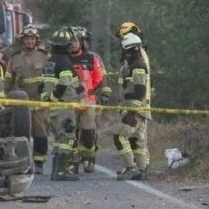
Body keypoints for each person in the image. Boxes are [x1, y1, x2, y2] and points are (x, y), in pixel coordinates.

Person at [4, 25, 49, 174]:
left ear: (36, 41)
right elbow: (8, 79)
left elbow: (50, 79)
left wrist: (48, 93)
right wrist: (4, 96)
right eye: (27, 39)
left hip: (39, 102)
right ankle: (21, 162)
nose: (30, 42)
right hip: (20, 103)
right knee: (20, 133)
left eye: (32, 39)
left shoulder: (44, 57)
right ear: (22, 41)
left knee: (40, 132)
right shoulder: (15, 58)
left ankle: (39, 162)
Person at [41, 29, 83, 181]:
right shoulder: (65, 62)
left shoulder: (49, 62)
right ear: (67, 46)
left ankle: (56, 171)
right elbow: (63, 84)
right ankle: (61, 172)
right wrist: (55, 97)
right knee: (67, 138)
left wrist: (48, 98)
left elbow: (42, 84)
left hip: (52, 108)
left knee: (59, 139)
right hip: (64, 106)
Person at [113, 33, 152, 181]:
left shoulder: (138, 66)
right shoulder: (133, 65)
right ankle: (142, 171)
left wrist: (131, 111)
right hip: (140, 111)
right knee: (137, 141)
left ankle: (130, 168)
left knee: (120, 137)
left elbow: (140, 91)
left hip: (134, 111)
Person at [67, 26, 105, 173]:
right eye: (70, 41)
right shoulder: (64, 59)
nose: (73, 43)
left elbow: (98, 77)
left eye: (75, 40)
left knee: (88, 132)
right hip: (70, 102)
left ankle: (88, 158)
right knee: (70, 132)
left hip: (88, 100)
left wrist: (90, 90)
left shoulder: (91, 58)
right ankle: (73, 162)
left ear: (82, 41)